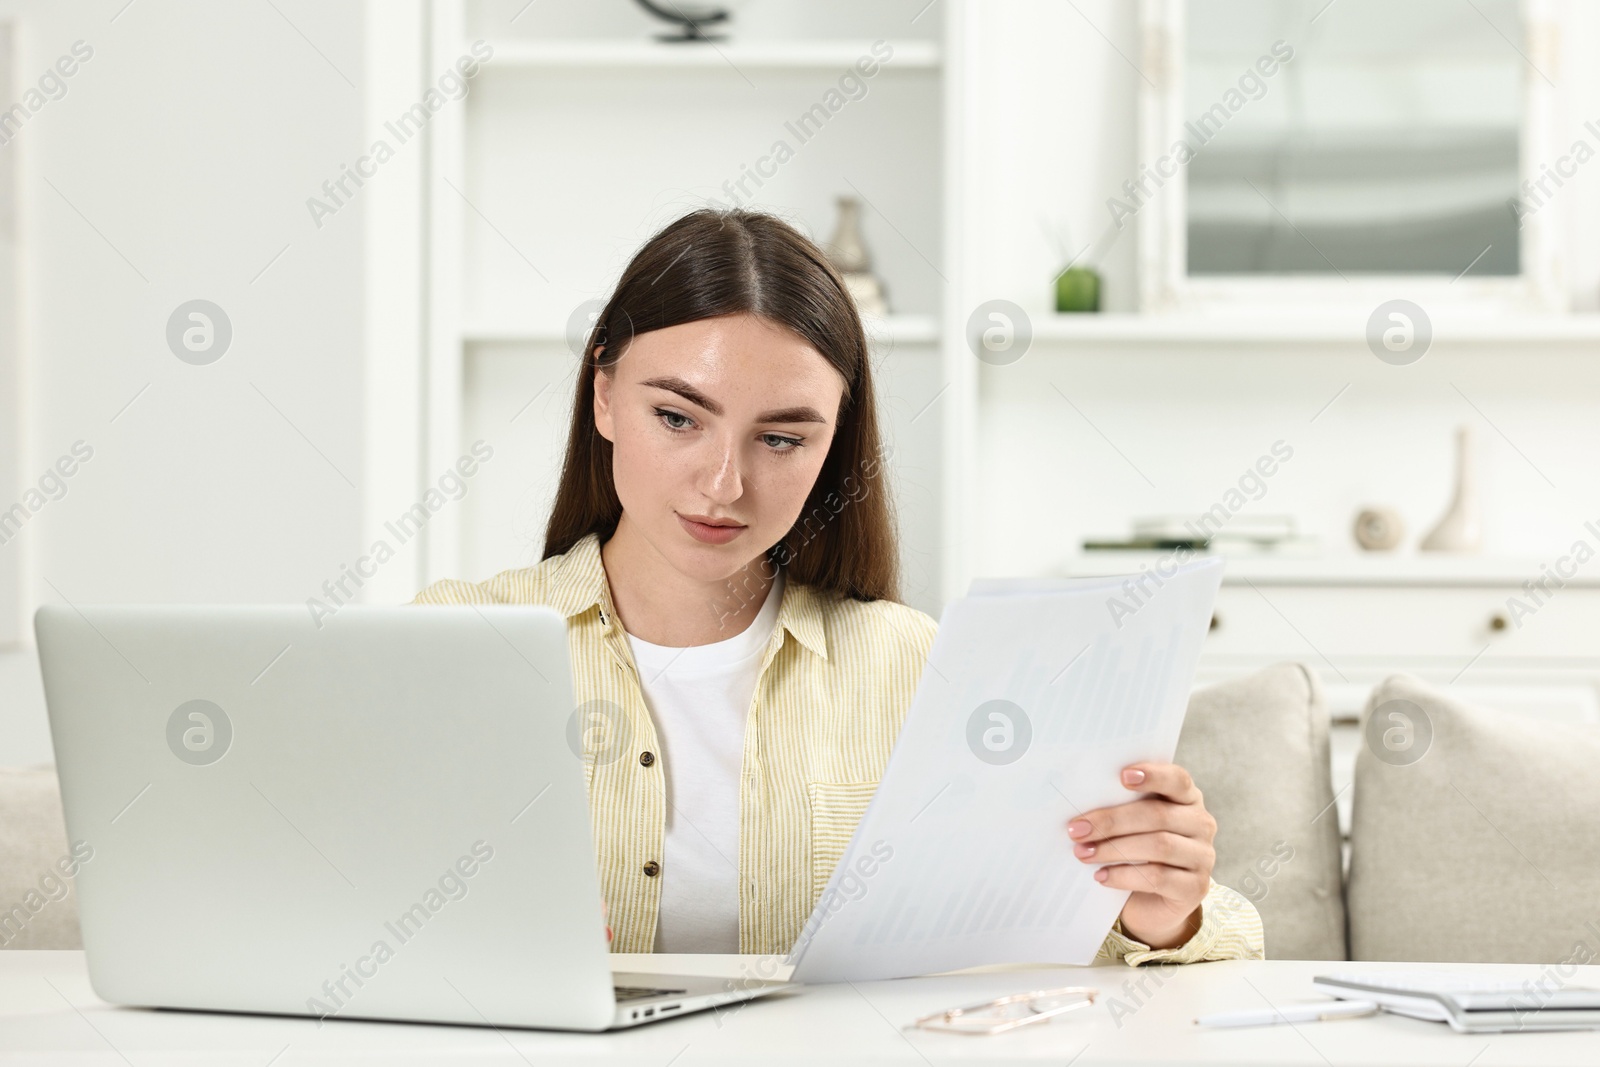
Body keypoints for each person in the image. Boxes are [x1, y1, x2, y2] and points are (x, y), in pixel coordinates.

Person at [412, 207, 1263, 965]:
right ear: (603, 395)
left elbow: (1210, 937)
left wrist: (1164, 912)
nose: (723, 484)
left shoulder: (921, 667)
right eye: (677, 417)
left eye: (780, 439)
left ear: (832, 450)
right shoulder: (445, 645)